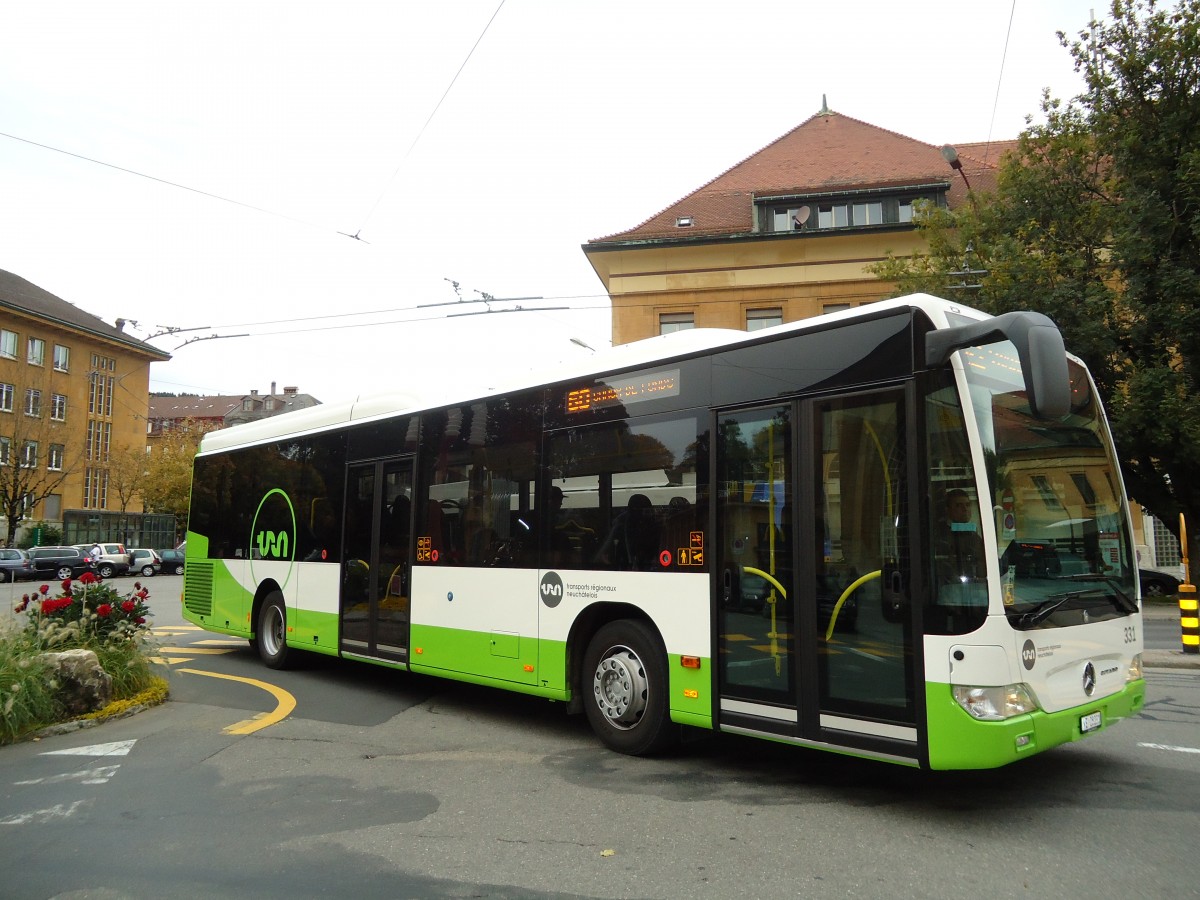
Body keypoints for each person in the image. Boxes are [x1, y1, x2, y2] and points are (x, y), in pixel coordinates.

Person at [595, 493, 660, 570]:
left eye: (647, 512)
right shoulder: (621, 525)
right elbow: (602, 555)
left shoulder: (653, 526)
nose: (642, 517)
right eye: (640, 512)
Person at [938, 489, 985, 581]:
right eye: (958, 505)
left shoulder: (973, 535)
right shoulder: (943, 536)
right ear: (948, 510)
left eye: (967, 505)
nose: (965, 509)